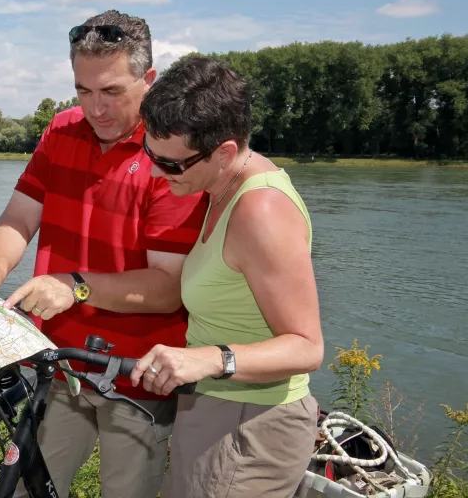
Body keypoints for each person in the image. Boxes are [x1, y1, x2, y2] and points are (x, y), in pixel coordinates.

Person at [0, 10, 209, 498]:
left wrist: (74, 286)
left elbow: (166, 288)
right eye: (83, 90)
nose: (95, 108)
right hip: (58, 363)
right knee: (28, 490)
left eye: (112, 91)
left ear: (149, 80)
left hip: (137, 375)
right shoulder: (61, 131)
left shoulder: (170, 154)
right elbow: (19, 217)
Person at [128, 55, 324, 497]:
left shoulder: (262, 210)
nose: (159, 172)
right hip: (216, 409)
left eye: (173, 164)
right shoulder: (218, 187)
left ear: (225, 152)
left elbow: (307, 347)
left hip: (249, 426)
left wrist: (210, 358)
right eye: (149, 153)